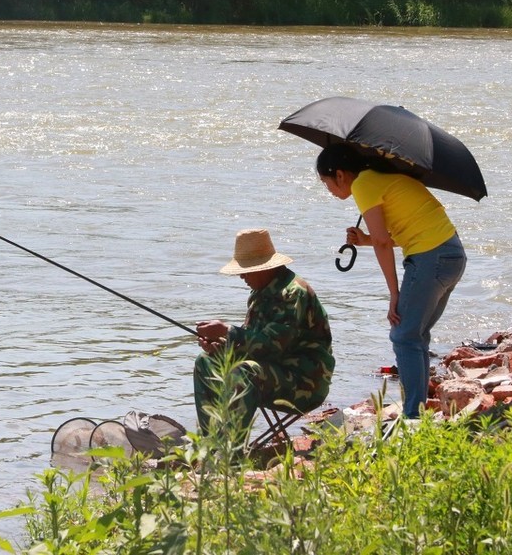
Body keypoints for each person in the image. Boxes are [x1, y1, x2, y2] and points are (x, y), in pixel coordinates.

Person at [315, 143, 467, 419]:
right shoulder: (382, 178)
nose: (328, 190)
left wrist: (394, 294)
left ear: (339, 174)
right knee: (414, 335)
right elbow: (405, 231)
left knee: (403, 335)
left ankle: (412, 417)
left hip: (430, 258)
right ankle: (417, 410)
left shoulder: (364, 184)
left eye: (326, 183)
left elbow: (384, 244)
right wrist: (365, 240)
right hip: (452, 254)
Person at [194, 228, 333, 435]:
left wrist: (228, 331)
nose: (242, 276)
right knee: (205, 361)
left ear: (263, 268)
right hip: (273, 371)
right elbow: (253, 343)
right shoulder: (261, 292)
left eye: (246, 270)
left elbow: (273, 346)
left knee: (245, 372)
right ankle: (212, 442)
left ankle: (232, 453)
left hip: (305, 382)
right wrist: (221, 346)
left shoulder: (293, 293)